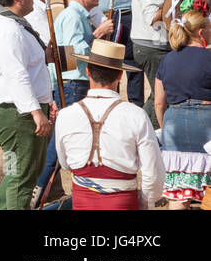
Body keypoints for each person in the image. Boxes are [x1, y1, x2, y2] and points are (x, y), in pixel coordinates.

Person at [0, 0, 57, 210]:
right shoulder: (7, 29)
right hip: (14, 112)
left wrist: (44, 101)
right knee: (21, 174)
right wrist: (35, 111)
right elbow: (16, 74)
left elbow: (29, 66)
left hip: (19, 108)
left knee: (19, 172)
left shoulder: (14, 24)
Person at [34, 0, 114, 205]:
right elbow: (71, 56)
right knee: (62, 140)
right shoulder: (72, 16)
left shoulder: (78, 15)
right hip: (72, 84)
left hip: (74, 83)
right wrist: (97, 35)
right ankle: (38, 190)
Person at [54, 39, 163, 209]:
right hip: (123, 202)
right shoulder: (136, 115)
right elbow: (153, 172)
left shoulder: (66, 115)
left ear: (88, 71)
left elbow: (65, 162)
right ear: (120, 75)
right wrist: (145, 201)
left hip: (82, 200)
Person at [154, 3, 211, 208]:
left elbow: (159, 103)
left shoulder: (167, 60)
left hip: (173, 124)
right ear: (202, 32)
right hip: (207, 125)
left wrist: (165, 128)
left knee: (178, 196)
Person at [131, 0, 173, 128]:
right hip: (151, 47)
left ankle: (139, 128)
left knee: (158, 94)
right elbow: (152, 17)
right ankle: (153, 133)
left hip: (152, 46)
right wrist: (173, 5)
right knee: (162, 96)